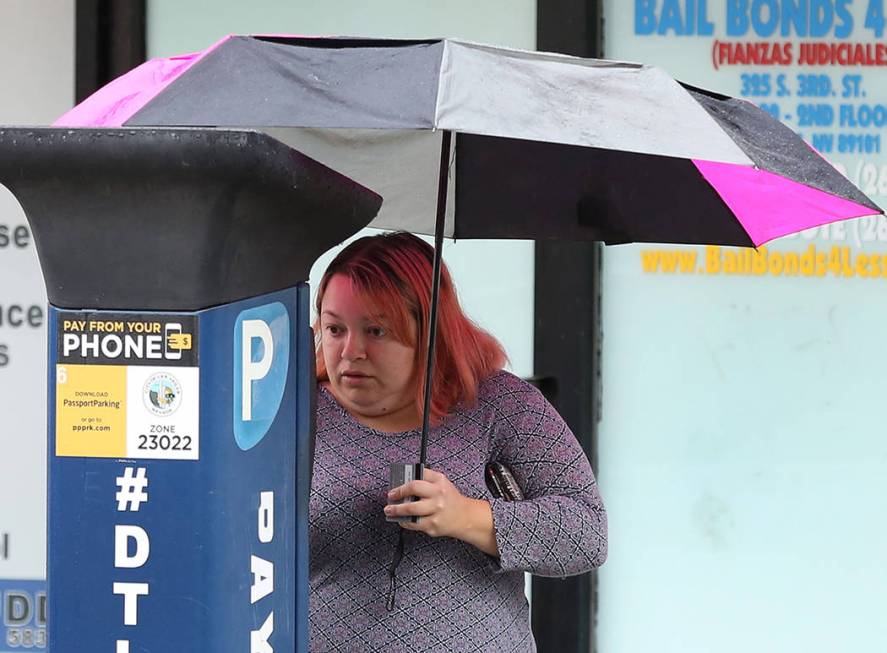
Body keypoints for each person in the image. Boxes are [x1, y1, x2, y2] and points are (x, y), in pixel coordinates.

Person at [310, 232, 607, 652]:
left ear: (431, 330)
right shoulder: (294, 410)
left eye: (376, 331)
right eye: (335, 328)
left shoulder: (498, 403)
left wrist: (468, 517)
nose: (351, 350)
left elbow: (586, 535)